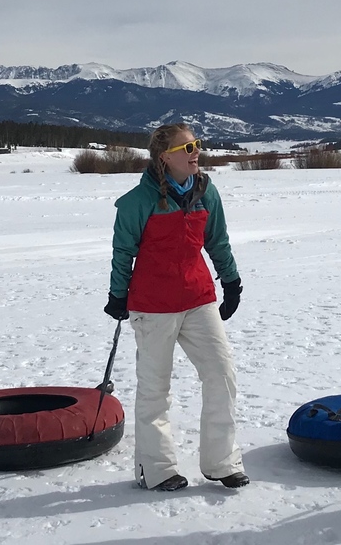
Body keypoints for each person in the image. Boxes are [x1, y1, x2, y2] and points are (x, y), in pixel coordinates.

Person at [104, 123, 248, 492]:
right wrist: (118, 295)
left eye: (197, 145)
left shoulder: (206, 191)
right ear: (164, 157)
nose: (195, 152)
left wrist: (229, 280)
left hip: (198, 298)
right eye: (187, 148)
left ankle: (222, 463)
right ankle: (157, 469)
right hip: (153, 306)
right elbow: (123, 253)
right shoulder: (137, 202)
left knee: (222, 374)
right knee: (155, 389)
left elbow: (218, 239)